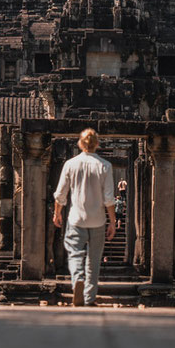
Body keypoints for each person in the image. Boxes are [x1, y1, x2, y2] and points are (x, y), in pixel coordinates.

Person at [53, 128, 116, 307]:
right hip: (98, 220)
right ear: (97, 144)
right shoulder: (105, 165)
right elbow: (109, 198)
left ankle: (77, 279)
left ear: (80, 144)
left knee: (74, 255)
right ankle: (89, 298)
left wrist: (57, 213)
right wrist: (112, 221)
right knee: (94, 261)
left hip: (76, 219)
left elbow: (60, 194)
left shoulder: (71, 164)